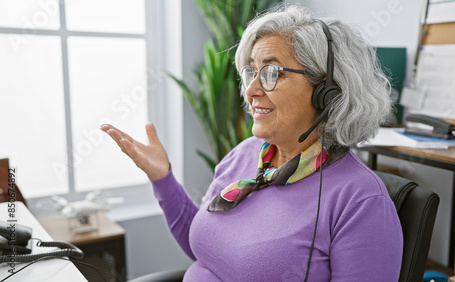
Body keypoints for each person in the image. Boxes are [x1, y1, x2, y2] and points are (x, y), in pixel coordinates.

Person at [101, 4, 403, 281]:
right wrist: (163, 179)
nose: (252, 90)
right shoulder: (244, 155)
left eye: (272, 72)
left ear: (327, 91)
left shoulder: (361, 202)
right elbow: (206, 252)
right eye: (251, 72)